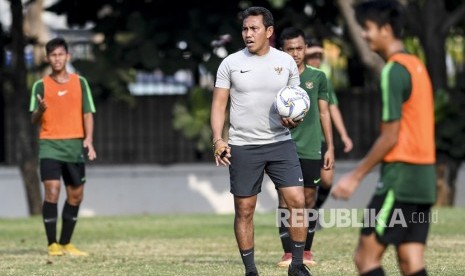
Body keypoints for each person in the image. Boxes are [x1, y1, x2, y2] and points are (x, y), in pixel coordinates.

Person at [331, 1, 436, 276]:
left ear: (386, 29)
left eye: (367, 28)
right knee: (410, 260)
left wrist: (355, 176)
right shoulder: (417, 66)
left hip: (399, 179)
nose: (363, 35)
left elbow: (390, 137)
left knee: (365, 259)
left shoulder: (393, 71)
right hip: (424, 179)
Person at [210, 7, 311, 276]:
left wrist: (296, 120)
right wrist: (218, 139)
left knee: (297, 202)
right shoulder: (230, 63)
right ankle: (251, 271)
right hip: (243, 145)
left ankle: (298, 266)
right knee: (245, 209)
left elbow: (297, 102)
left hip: (280, 143)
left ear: (269, 31)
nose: (247, 34)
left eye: (254, 28)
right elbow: (219, 105)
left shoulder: (286, 62)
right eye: (245, 29)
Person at [30, 37, 97, 257]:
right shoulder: (40, 85)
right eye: (53, 55)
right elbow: (34, 119)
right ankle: (52, 244)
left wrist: (88, 139)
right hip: (50, 145)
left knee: (76, 195)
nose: (57, 59)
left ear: (67, 56)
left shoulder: (81, 82)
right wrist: (40, 109)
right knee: (52, 191)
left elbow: (88, 112)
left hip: (74, 146)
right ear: (48, 58)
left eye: (60, 54)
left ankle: (66, 242)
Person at [276, 27, 334, 268]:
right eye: (290, 49)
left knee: (308, 199)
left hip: (311, 148)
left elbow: (324, 112)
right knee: (285, 200)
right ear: (282, 51)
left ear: (306, 49)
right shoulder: (275, 78)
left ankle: (306, 250)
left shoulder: (318, 77)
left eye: (299, 48)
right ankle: (288, 252)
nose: (296, 53)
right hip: (281, 146)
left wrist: (330, 147)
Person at [304, 40, 354, 210]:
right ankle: (295, 219)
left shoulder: (323, 79)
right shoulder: (294, 77)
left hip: (321, 138)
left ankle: (314, 211)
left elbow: (332, 109)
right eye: (312, 55)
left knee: (327, 179)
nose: (316, 59)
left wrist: (344, 135)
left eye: (319, 56)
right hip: (300, 140)